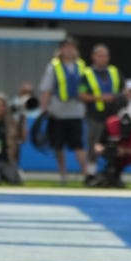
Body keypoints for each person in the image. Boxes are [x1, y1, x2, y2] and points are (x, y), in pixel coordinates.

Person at [38, 35, 90, 185]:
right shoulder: (53, 66)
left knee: (78, 145)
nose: (69, 50)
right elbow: (47, 90)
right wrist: (44, 109)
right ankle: (63, 174)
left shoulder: (81, 66)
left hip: (76, 112)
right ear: (61, 50)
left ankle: (86, 173)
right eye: (66, 47)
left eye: (72, 47)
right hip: (58, 112)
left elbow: (86, 88)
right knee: (58, 145)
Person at [78, 42, 123, 169]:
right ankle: (91, 174)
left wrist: (116, 98)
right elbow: (81, 95)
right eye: (100, 55)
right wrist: (101, 98)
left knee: (113, 145)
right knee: (94, 144)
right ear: (93, 56)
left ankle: (112, 173)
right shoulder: (86, 74)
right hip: (95, 117)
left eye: (105, 56)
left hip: (113, 117)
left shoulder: (114, 71)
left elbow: (122, 91)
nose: (103, 58)